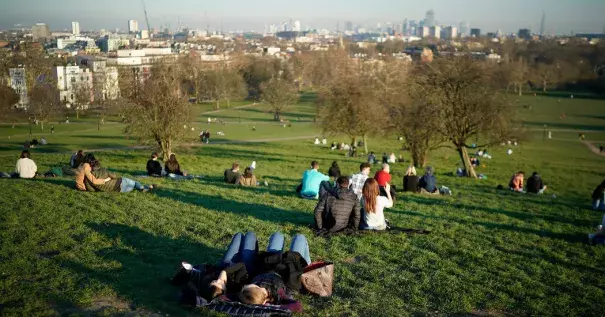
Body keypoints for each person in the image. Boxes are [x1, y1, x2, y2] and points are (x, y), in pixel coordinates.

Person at [237, 232, 310, 312]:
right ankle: (308, 265)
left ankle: (306, 263)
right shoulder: (279, 294)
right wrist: (268, 307)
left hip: (273, 263)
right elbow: (297, 306)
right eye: (256, 286)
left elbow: (226, 297)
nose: (260, 285)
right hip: (291, 268)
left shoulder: (251, 291)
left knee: (277, 235)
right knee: (300, 238)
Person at [76, 154, 153, 193]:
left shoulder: (86, 177)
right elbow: (114, 175)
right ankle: (143, 187)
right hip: (120, 183)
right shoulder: (99, 170)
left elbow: (91, 187)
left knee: (133, 186)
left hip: (117, 190)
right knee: (135, 183)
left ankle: (144, 187)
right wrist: (106, 179)